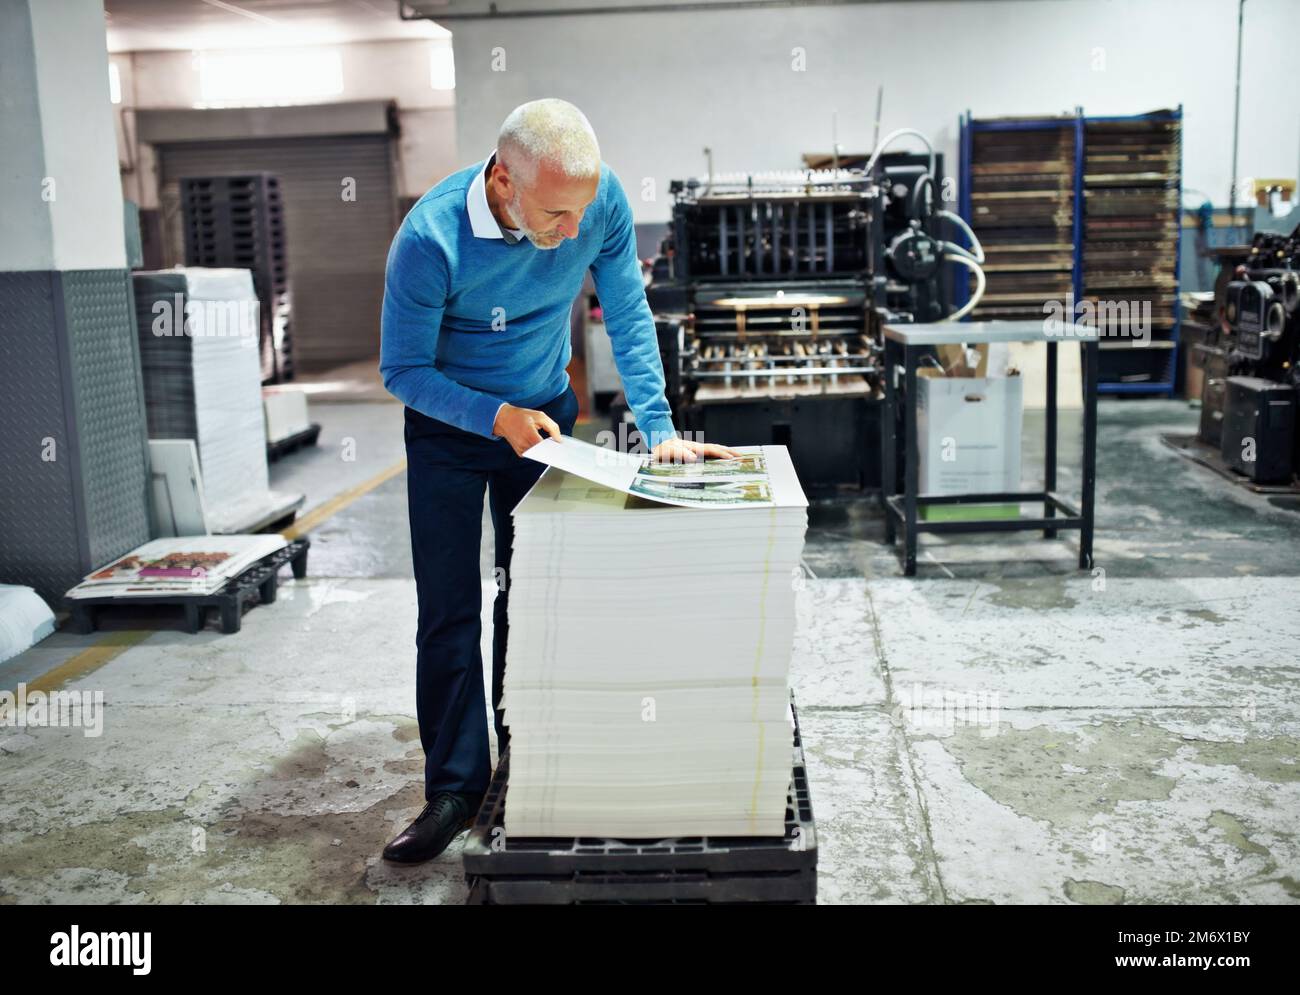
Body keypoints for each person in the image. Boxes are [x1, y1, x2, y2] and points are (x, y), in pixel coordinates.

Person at [378, 98, 738, 862]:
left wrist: (661, 428)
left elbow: (628, 309)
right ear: (504, 180)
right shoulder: (430, 238)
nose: (571, 233)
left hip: (543, 417)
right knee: (450, 608)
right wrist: (491, 413)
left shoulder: (592, 197)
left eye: (582, 212)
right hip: (449, 427)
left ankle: (526, 751)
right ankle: (453, 787)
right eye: (555, 214)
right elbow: (402, 369)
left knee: (534, 591)